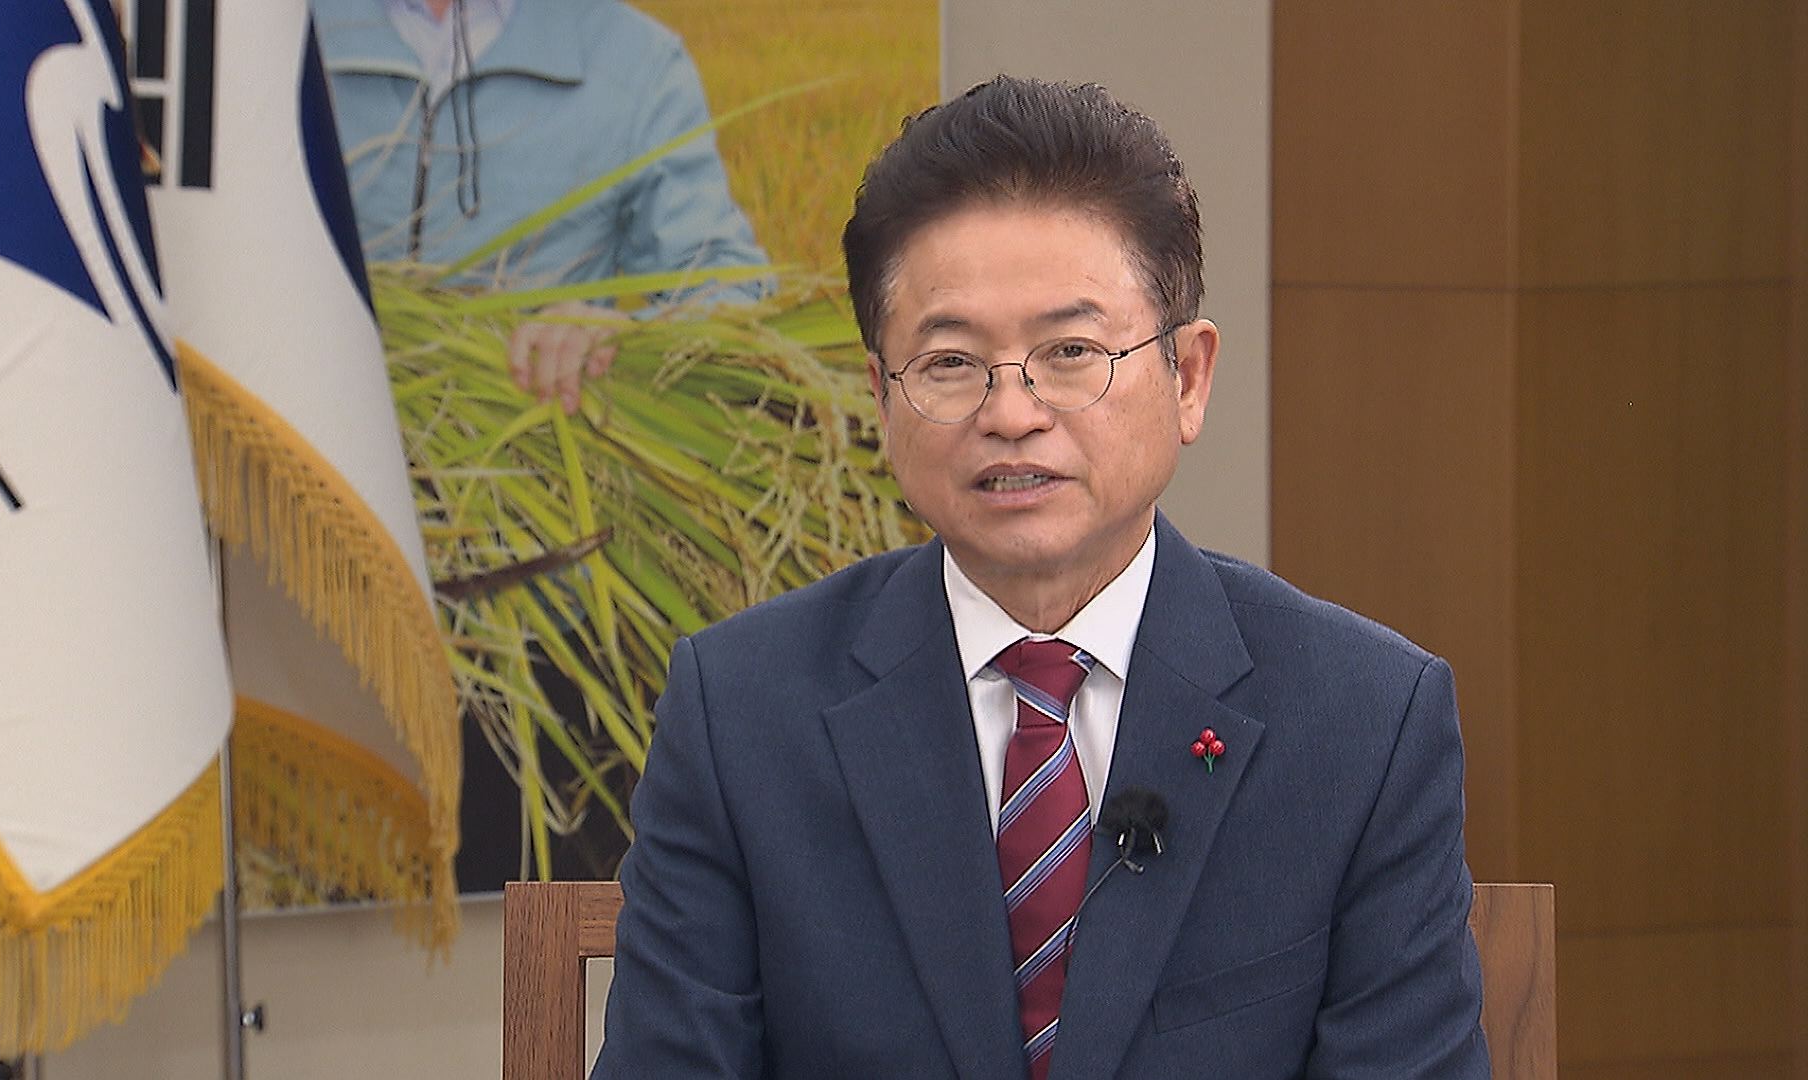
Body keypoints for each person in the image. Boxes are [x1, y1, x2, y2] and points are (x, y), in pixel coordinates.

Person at [592, 77, 1489, 1079]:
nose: (1011, 413)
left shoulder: (1363, 720)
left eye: (1071, 351)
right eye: (949, 362)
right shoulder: (741, 713)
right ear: (881, 398)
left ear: (1188, 379)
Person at [310, 0, 769, 412]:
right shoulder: (283, 34)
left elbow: (731, 290)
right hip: (299, 451)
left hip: (516, 458)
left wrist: (621, 332)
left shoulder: (635, 62)